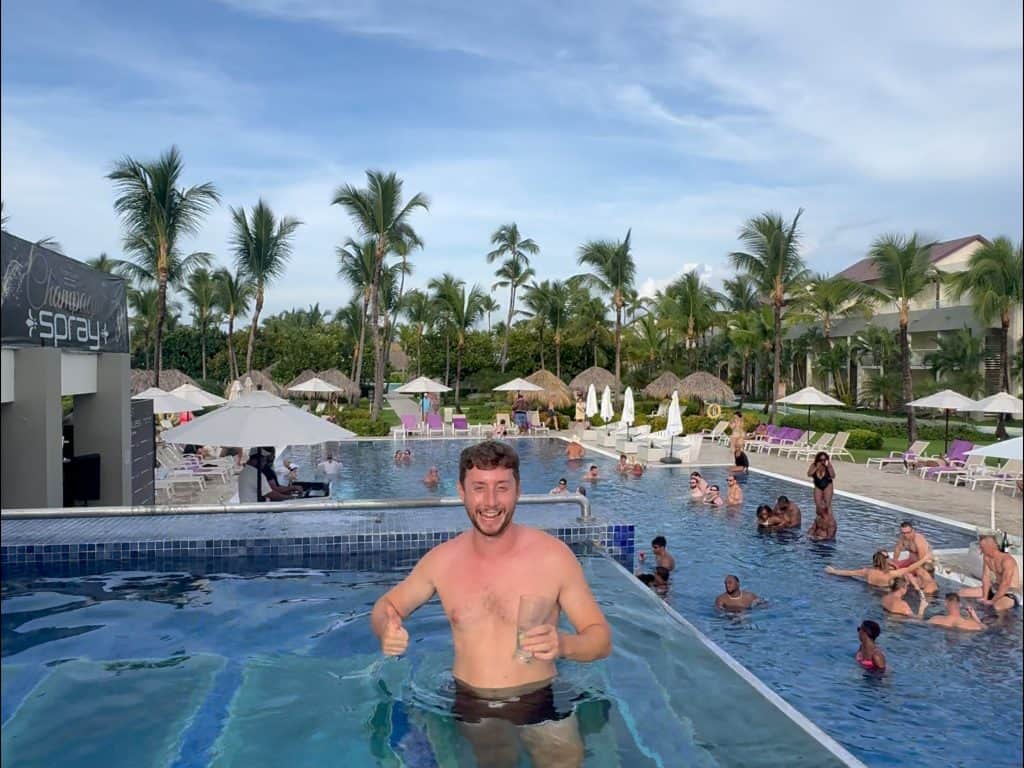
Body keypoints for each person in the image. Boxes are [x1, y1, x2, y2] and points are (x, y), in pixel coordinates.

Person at [370, 441, 611, 767]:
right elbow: (388, 605)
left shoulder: (554, 558)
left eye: (502, 488)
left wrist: (564, 644)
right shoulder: (442, 561)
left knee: (564, 759)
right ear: (462, 492)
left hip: (538, 695)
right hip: (471, 700)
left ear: (518, 490)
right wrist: (387, 627)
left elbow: (600, 639)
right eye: (479, 488)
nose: (491, 502)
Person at [959, 534, 1021, 612]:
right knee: (962, 593)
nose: (980, 550)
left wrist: (992, 601)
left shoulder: (1007, 561)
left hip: (1009, 592)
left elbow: (1006, 584)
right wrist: (985, 597)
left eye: (982, 547)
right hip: (995, 588)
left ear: (990, 547)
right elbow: (986, 577)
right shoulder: (987, 558)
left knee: (997, 607)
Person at [825, 550, 934, 588]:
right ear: (886, 560)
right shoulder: (891, 574)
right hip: (884, 592)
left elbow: (849, 572)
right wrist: (924, 558)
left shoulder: (867, 571)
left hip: (870, 590)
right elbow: (910, 568)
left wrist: (833, 571)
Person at [237, 447, 301, 503]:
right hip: (254, 511)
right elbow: (271, 494)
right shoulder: (256, 474)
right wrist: (291, 498)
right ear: (256, 460)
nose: (265, 463)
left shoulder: (246, 471)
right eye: (264, 460)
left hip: (248, 509)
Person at [891, 520, 937, 593]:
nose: (906, 535)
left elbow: (922, 561)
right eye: (903, 533)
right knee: (891, 569)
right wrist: (894, 563)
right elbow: (897, 550)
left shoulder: (919, 541)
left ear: (913, 531)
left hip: (922, 565)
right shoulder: (903, 538)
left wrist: (909, 571)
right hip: (911, 561)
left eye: (908, 532)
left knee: (903, 575)